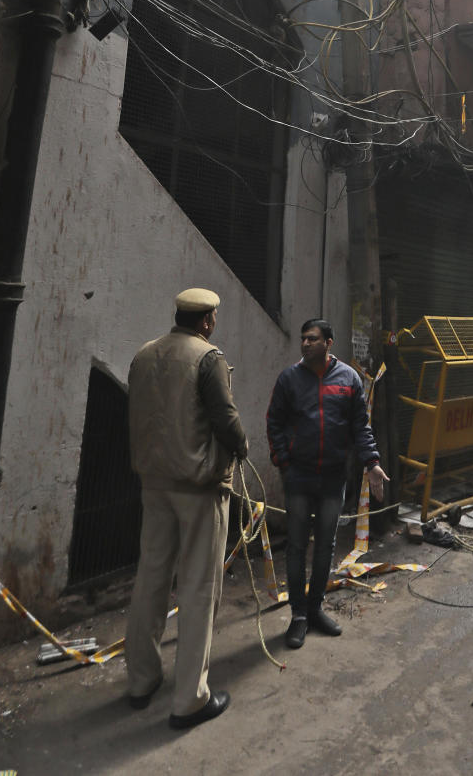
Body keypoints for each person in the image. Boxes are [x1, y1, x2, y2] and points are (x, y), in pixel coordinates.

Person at [126, 287, 248, 729]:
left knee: (151, 579)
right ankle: (190, 700)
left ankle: (141, 681)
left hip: (153, 483)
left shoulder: (144, 354)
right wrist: (243, 446)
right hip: (198, 487)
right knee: (198, 588)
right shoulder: (208, 357)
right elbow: (225, 418)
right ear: (207, 320)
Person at [267, 318, 388, 649]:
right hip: (300, 477)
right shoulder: (290, 379)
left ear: (329, 343)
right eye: (303, 339)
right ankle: (298, 616)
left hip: (333, 478)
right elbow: (274, 421)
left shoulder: (348, 379)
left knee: (325, 546)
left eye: (313, 339)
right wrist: (284, 463)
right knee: (295, 547)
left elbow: (360, 427)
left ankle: (315, 608)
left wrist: (372, 463)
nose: (305, 344)